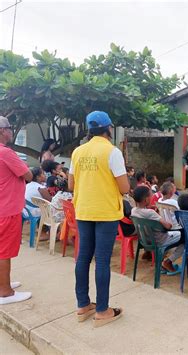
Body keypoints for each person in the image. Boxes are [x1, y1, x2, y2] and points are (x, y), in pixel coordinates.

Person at [69, 111, 129, 327]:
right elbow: (124, 187)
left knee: (83, 257)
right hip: (105, 212)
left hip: (84, 210)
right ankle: (102, 310)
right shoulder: (112, 152)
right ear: (108, 129)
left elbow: (70, 185)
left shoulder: (77, 152)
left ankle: (83, 305)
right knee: (102, 260)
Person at [0, 116, 33, 305]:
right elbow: (27, 174)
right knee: (5, 251)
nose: (12, 131)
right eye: (10, 128)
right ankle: (5, 291)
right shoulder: (6, 153)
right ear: (2, 131)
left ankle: (3, 283)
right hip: (7, 208)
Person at [131, 186, 183, 275]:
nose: (152, 198)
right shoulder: (150, 213)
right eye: (151, 196)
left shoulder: (134, 211)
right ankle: (168, 262)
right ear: (146, 199)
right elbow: (168, 226)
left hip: (145, 241)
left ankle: (149, 254)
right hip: (159, 241)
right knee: (185, 239)